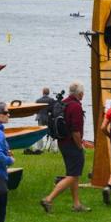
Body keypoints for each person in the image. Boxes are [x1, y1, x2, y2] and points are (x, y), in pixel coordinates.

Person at [39, 81, 90, 213]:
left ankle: (77, 204)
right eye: (82, 93)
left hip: (62, 142)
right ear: (79, 94)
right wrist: (80, 146)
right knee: (72, 176)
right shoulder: (76, 107)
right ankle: (48, 199)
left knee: (73, 174)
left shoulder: (63, 103)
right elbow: (75, 130)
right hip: (72, 143)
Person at [28, 87, 56, 154]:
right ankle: (53, 148)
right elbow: (54, 110)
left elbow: (35, 110)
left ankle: (39, 148)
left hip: (40, 118)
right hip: (49, 118)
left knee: (39, 134)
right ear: (48, 93)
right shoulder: (52, 100)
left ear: (42, 92)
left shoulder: (38, 100)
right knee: (51, 133)